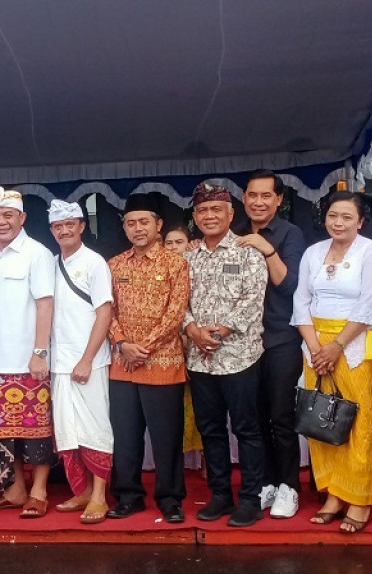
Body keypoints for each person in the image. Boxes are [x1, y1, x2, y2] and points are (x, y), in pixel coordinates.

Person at [291, 190, 372, 534]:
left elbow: (369, 304)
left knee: (356, 422)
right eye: (333, 215)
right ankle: (333, 494)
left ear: (361, 222)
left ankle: (359, 499)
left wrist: (335, 346)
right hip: (315, 346)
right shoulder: (313, 252)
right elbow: (301, 300)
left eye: (347, 217)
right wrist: (316, 346)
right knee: (321, 419)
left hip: (355, 345)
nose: (339, 222)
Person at [182, 184, 268, 528]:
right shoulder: (186, 258)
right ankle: (220, 494)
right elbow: (177, 302)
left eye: (217, 210)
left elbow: (252, 301)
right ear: (195, 217)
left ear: (231, 214)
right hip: (199, 358)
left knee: (247, 429)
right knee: (211, 430)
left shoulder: (248, 253)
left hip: (239, 356)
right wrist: (192, 330)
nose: (210, 216)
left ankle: (250, 499)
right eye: (203, 211)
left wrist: (219, 332)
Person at [106, 193, 190, 522]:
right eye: (130, 223)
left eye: (144, 222)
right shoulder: (114, 265)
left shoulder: (175, 263)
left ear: (158, 226)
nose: (137, 228)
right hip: (123, 364)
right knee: (125, 435)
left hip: (163, 362)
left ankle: (170, 499)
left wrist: (144, 347)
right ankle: (128, 496)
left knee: (166, 435)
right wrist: (123, 342)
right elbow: (106, 309)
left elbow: (176, 312)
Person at [0, 186, 57, 519]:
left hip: (28, 358)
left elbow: (45, 304)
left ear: (22, 218)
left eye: (8, 215)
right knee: (5, 432)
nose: (1, 222)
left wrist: (39, 351)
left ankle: (39, 491)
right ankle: (14, 490)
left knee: (36, 428)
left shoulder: (36, 253)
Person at [233, 169, 307, 518]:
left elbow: (289, 286)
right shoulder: (235, 235)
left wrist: (266, 249)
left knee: (280, 415)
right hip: (242, 343)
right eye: (252, 195)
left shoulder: (290, 234)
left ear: (279, 199)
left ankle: (290, 486)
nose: (258, 202)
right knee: (254, 417)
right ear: (244, 198)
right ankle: (267, 484)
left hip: (280, 338)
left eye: (266, 196)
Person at [46, 200, 116, 525]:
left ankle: (100, 495)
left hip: (89, 361)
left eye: (70, 224)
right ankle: (83, 490)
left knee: (96, 427)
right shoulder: (49, 264)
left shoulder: (94, 263)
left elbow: (105, 312)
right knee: (68, 431)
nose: (64, 230)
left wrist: (87, 359)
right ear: (52, 230)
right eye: (58, 226)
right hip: (59, 362)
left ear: (81, 226)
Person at [162, 224, 203, 461]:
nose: (174, 247)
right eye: (169, 243)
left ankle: (206, 458)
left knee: (201, 407)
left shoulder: (196, 266)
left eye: (179, 242)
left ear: (190, 243)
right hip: (168, 347)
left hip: (197, 343)